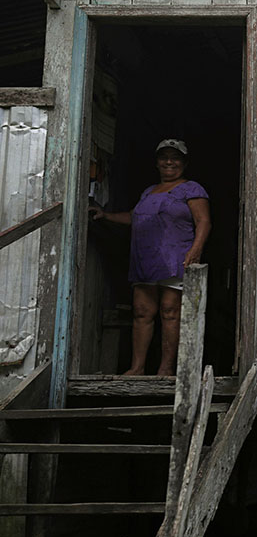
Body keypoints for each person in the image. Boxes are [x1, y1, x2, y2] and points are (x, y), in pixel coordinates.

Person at [90, 139, 211, 377]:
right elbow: (135, 217)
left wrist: (196, 250)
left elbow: (204, 222)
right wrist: (106, 215)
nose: (169, 162)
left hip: (175, 257)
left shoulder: (192, 189)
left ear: (184, 163)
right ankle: (137, 367)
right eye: (164, 157)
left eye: (175, 157)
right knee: (142, 312)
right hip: (145, 259)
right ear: (156, 162)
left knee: (170, 311)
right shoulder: (148, 191)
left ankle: (165, 369)